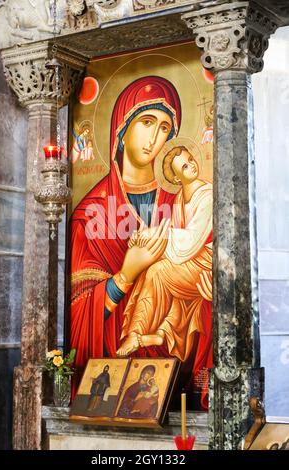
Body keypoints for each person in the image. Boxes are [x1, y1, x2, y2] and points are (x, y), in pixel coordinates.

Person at [69, 76, 182, 396]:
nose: (155, 138)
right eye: (147, 122)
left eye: (164, 129)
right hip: (108, 373)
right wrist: (125, 275)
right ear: (122, 126)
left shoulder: (179, 204)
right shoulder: (89, 214)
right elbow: (76, 316)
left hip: (165, 373)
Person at [116, 145, 213, 370]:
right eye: (184, 166)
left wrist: (154, 236)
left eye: (190, 159)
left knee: (158, 271)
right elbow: (172, 236)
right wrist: (141, 239)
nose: (192, 166)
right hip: (188, 263)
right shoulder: (179, 199)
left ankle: (138, 333)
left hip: (206, 264)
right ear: (177, 178)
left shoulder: (207, 195)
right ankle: (149, 335)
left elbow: (189, 242)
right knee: (155, 269)